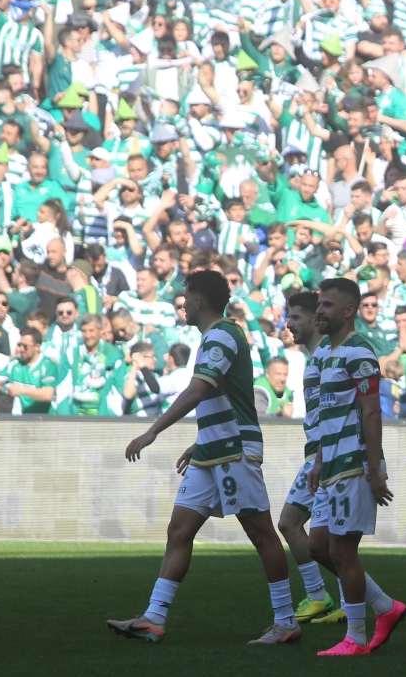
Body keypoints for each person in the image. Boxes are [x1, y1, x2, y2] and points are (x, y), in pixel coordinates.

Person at [107, 270, 300, 645]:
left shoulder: (222, 336)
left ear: (198, 301)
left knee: (261, 533)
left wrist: (152, 431)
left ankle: (286, 622)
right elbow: (224, 397)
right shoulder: (216, 336)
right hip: (212, 448)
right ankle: (154, 618)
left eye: (184, 297)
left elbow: (197, 391)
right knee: (179, 531)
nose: (180, 304)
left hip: (234, 449)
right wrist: (201, 442)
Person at [307, 278, 406, 657]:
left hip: (354, 464)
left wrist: (374, 469)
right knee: (319, 545)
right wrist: (319, 460)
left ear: (349, 310)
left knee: (342, 550)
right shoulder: (330, 353)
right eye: (319, 304)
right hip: (332, 464)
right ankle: (385, 607)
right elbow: (331, 416)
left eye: (327, 305)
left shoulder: (359, 352)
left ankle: (356, 638)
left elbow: (371, 412)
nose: (320, 310)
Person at [275, 291, 341, 626]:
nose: (289, 324)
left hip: (327, 455)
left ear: (315, 319)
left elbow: (340, 412)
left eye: (296, 317)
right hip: (319, 453)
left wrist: (323, 455)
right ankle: (329, 598)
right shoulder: (314, 357)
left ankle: (332, 598)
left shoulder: (327, 356)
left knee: (297, 526)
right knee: (310, 531)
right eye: (288, 317)